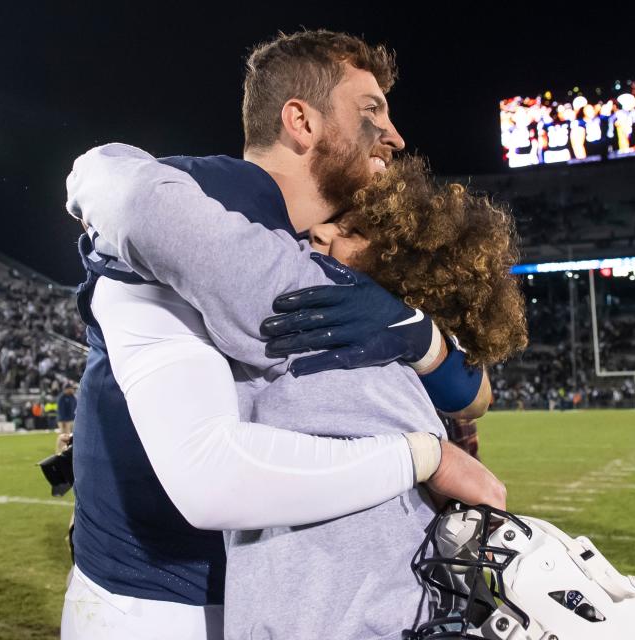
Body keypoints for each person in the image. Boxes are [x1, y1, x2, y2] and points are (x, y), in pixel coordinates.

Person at [61, 31, 510, 640]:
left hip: (264, 592)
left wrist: (421, 336)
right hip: (162, 601)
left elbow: (473, 392)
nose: (396, 135)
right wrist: (104, 173)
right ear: (300, 120)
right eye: (370, 110)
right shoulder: (204, 209)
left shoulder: (308, 247)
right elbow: (211, 473)